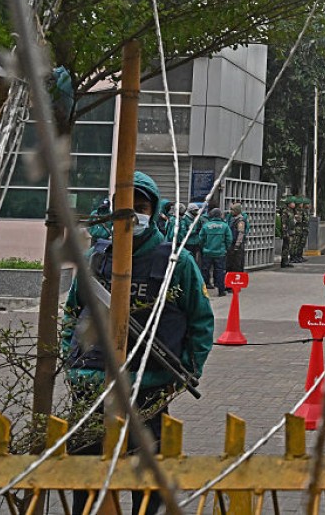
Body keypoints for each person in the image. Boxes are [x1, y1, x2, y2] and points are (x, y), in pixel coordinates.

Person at [61, 171, 214, 515]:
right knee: (86, 479)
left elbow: (201, 321)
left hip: (149, 386)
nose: (132, 215)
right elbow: (72, 312)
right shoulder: (95, 259)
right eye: (124, 207)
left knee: (148, 485)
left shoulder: (176, 263)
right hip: (92, 386)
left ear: (153, 210)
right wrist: (71, 363)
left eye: (140, 207)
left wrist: (186, 370)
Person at [199, 208, 233, 295]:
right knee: (220, 271)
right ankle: (221, 291)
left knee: (205, 271)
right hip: (220, 253)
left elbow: (201, 239)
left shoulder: (206, 226)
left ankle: (203, 291)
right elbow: (229, 239)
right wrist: (225, 248)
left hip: (207, 252)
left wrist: (204, 248)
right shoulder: (225, 226)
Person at [227, 203, 248, 273]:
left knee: (237, 264)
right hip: (232, 244)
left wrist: (237, 245)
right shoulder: (233, 219)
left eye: (232, 210)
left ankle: (237, 278)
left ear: (236, 211)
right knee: (230, 264)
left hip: (237, 245)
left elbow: (241, 233)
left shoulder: (240, 221)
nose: (231, 212)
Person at [279, 200, 296, 268]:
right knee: (286, 247)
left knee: (288, 247)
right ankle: (284, 262)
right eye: (292, 202)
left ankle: (286, 261)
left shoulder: (291, 211)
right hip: (287, 232)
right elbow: (284, 223)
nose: (294, 204)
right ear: (289, 204)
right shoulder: (285, 211)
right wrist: (285, 232)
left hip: (291, 231)